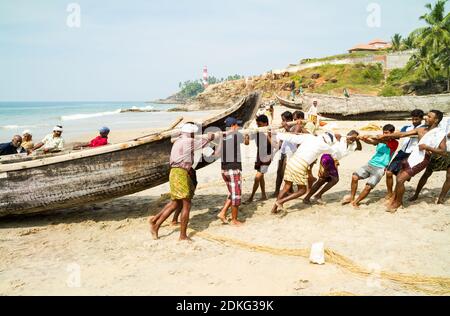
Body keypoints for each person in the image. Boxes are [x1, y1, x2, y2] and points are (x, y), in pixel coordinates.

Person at [149, 123, 215, 241]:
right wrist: (210, 136)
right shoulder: (188, 142)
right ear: (190, 133)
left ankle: (155, 224)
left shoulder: (179, 140)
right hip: (180, 173)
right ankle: (182, 236)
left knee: (175, 203)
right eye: (194, 133)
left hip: (176, 173)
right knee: (186, 204)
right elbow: (206, 140)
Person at [380, 110, 447, 212]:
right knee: (399, 177)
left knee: (400, 180)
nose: (426, 118)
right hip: (413, 156)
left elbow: (443, 151)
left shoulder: (440, 133)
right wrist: (385, 136)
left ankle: (398, 202)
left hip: (423, 159)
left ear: (436, 120)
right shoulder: (421, 129)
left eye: (429, 116)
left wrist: (427, 147)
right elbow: (402, 134)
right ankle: (396, 199)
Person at [271, 132, 338, 214]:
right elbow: (334, 152)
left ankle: (274, 209)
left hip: (291, 162)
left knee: (286, 187)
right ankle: (281, 201)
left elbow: (292, 137)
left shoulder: (309, 137)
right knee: (302, 190)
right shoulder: (324, 146)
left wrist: (277, 134)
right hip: (300, 165)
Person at [343, 124, 398, 208]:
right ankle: (352, 198)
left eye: (387, 133)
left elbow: (380, 140)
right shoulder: (380, 140)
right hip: (370, 164)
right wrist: (363, 139)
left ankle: (356, 202)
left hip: (380, 168)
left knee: (368, 187)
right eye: (384, 133)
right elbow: (372, 142)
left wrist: (369, 136)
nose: (385, 135)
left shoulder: (394, 143)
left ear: (392, 133)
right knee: (354, 177)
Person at [303, 130, 362, 204]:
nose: (352, 140)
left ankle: (309, 197)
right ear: (348, 135)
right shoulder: (340, 139)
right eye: (351, 138)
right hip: (327, 157)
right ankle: (316, 196)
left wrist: (357, 140)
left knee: (323, 180)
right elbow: (332, 135)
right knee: (333, 179)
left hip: (334, 161)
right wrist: (340, 136)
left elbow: (359, 148)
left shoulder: (352, 145)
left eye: (353, 139)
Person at [216, 117, 249, 226]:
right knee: (236, 195)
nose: (238, 127)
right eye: (237, 125)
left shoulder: (221, 136)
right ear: (232, 126)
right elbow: (247, 143)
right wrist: (246, 135)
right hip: (233, 169)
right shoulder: (236, 134)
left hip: (224, 169)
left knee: (232, 193)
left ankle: (222, 212)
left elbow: (217, 153)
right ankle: (234, 220)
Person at [385, 110, 425, 199]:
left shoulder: (424, 128)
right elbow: (398, 135)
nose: (414, 121)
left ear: (421, 119)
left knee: (400, 176)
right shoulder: (407, 127)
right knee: (388, 173)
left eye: (416, 119)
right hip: (402, 152)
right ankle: (389, 193)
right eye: (413, 119)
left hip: (412, 154)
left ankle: (396, 196)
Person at [245, 115, 275, 204]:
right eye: (257, 125)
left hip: (267, 157)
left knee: (257, 177)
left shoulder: (271, 131)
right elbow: (247, 143)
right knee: (261, 177)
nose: (258, 126)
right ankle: (263, 195)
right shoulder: (257, 131)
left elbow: (274, 145)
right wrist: (246, 136)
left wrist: (266, 134)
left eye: (260, 125)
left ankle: (251, 197)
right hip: (259, 156)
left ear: (265, 123)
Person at [274, 111, 296, 197]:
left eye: (283, 120)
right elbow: (281, 142)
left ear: (289, 120)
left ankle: (290, 191)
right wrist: (274, 152)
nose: (282, 122)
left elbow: (294, 137)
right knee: (279, 172)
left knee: (286, 173)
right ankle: (276, 191)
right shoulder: (284, 129)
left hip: (290, 153)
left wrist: (287, 128)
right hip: (282, 152)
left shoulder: (295, 127)